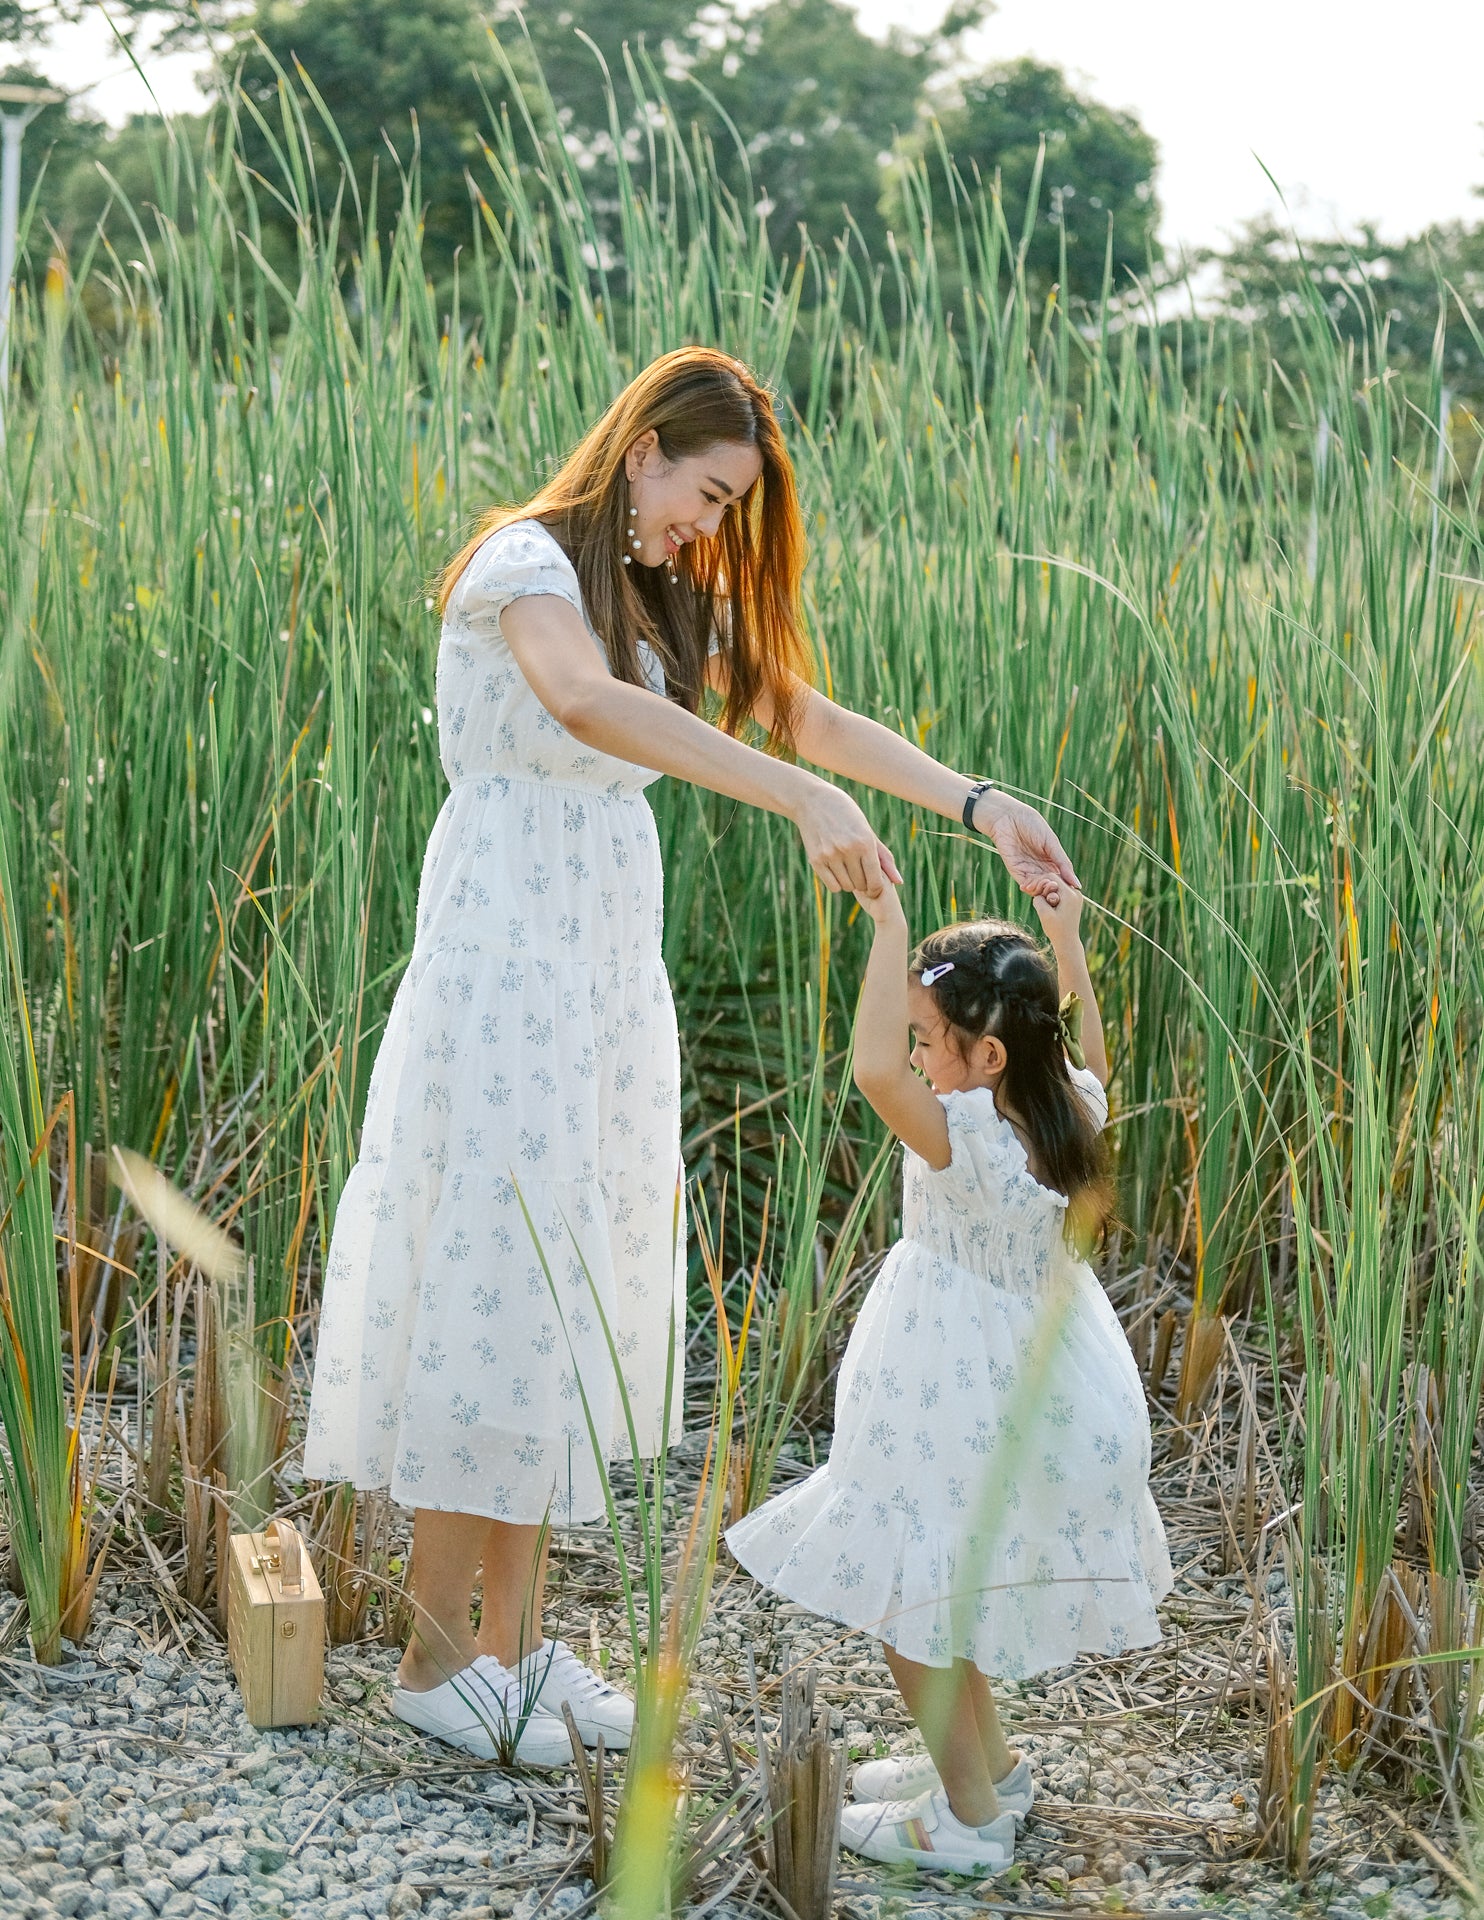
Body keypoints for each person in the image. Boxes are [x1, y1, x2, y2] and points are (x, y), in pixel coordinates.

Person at [303, 345, 1081, 1769]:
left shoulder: (653, 600)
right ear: (647, 445)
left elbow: (805, 712)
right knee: (490, 1265)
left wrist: (977, 804)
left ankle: (513, 1648)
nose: (706, 530)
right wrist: (793, 799)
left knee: (560, 1284)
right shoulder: (525, 564)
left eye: (729, 513)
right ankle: (430, 1658)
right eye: (707, 495)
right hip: (503, 964)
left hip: (600, 978)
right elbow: (587, 706)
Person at [727, 883, 1173, 1874]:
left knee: (910, 1599)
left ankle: (966, 1822)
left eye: (930, 1038)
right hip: (1039, 1386)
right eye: (919, 1037)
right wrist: (1064, 938)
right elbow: (1088, 1046)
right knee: (947, 1580)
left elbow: (867, 1069)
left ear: (989, 1056)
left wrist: (890, 932)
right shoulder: (1069, 1110)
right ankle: (988, 1770)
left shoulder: (959, 1138)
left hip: (950, 1386)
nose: (917, 1055)